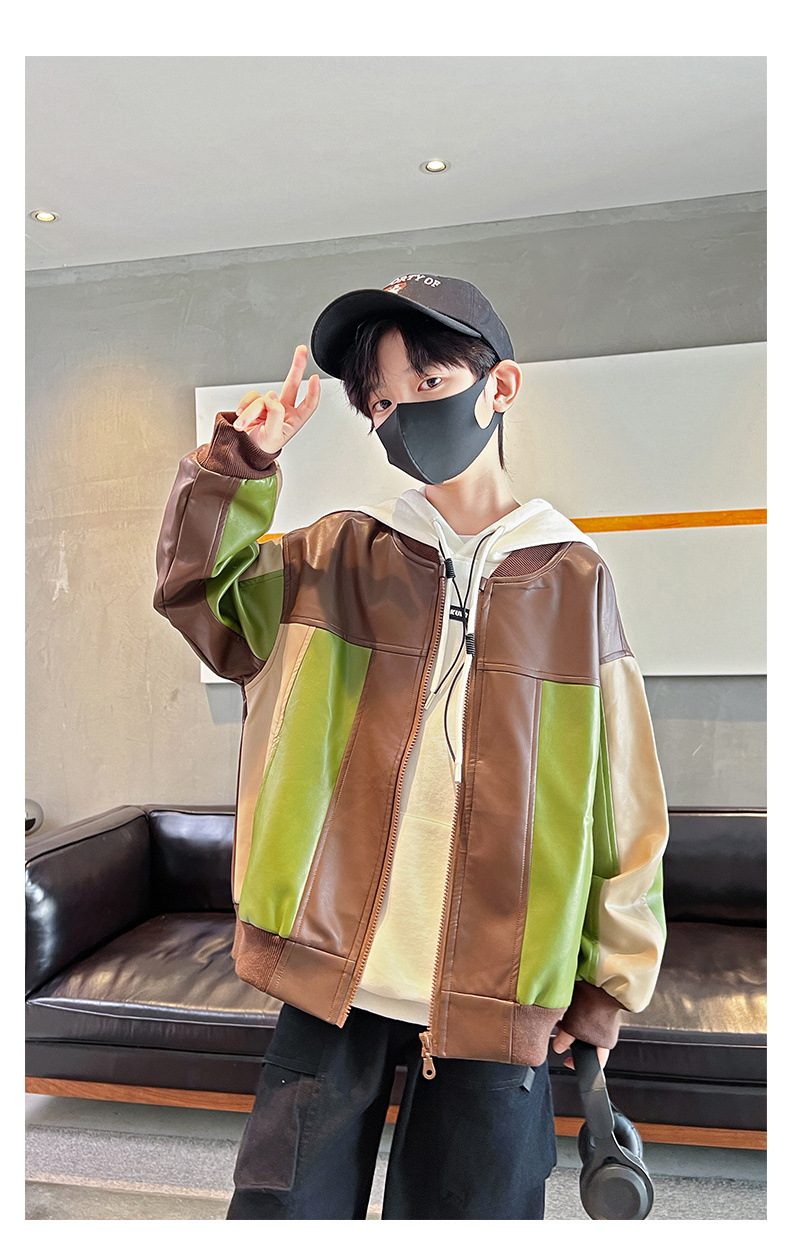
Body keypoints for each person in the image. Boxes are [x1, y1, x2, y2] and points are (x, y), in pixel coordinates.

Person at [154, 272, 669, 1220]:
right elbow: (199, 595)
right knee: (283, 1218)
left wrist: (611, 980)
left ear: (498, 387)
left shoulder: (574, 580)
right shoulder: (336, 558)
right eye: (383, 402)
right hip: (327, 979)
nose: (405, 415)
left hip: (498, 997)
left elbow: (622, 798)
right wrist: (239, 462)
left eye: (428, 383)